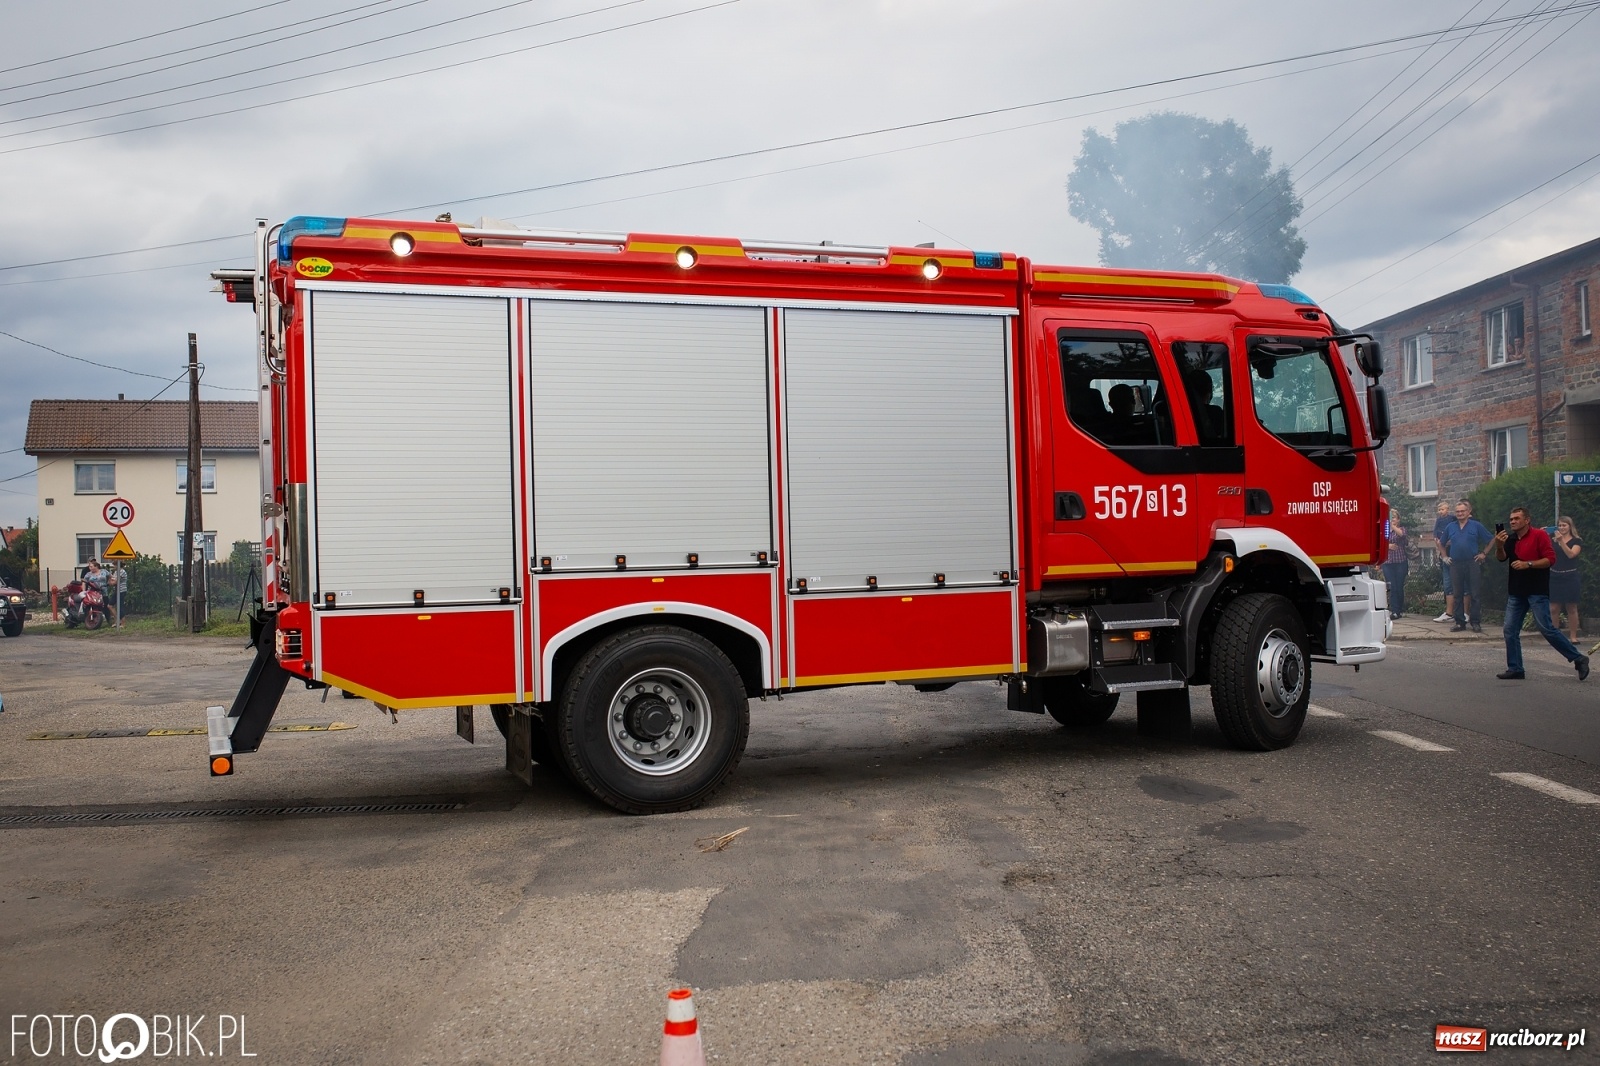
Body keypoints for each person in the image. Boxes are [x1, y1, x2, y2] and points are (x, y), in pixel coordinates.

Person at [1493, 507, 1590, 681]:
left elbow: (1549, 560)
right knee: (1509, 629)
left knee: (1547, 628)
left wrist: (1528, 564)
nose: (1513, 522)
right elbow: (1501, 558)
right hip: (1516, 591)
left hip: (1537, 590)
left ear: (1527, 520)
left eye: (1516, 518)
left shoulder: (1539, 535)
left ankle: (1578, 658)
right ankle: (1515, 668)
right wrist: (1499, 545)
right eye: (1511, 519)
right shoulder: (1511, 538)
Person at [1440, 499, 1492, 632]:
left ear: (1469, 512)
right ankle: (1459, 622)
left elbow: (1491, 539)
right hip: (1455, 564)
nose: (1460, 513)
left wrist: (1484, 554)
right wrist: (1444, 556)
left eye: (1462, 511)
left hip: (1472, 562)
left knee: (1475, 593)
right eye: (1457, 511)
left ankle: (1475, 622)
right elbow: (1441, 543)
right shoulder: (1450, 527)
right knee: (1457, 594)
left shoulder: (1476, 525)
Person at [1551, 515, 1583, 642]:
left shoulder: (1577, 541)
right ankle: (1555, 636)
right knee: (1553, 608)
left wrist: (1561, 541)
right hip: (1555, 575)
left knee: (1571, 607)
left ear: (1570, 526)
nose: (1561, 527)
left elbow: (1571, 554)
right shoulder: (1553, 540)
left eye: (1564, 525)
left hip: (1570, 576)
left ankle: (1573, 636)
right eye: (1559, 525)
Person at [1431, 500, 1455, 622]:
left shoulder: (1452, 519)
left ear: (1448, 509)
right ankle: (1449, 613)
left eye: (1443, 509)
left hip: (1453, 550)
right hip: (1442, 545)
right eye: (1439, 510)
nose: (1441, 512)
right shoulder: (1439, 521)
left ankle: (1460, 612)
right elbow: (1435, 531)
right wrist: (1436, 539)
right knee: (1448, 583)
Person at [1382, 519, 1409, 619]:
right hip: (1387, 562)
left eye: (1394, 518)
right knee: (1392, 587)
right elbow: (1379, 542)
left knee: (1399, 587)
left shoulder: (1402, 529)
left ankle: (1399, 609)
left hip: (1400, 562)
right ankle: (1394, 611)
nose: (1392, 520)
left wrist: (1393, 527)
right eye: (1391, 518)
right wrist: (1388, 546)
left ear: (1398, 519)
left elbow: (1402, 535)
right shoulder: (1384, 530)